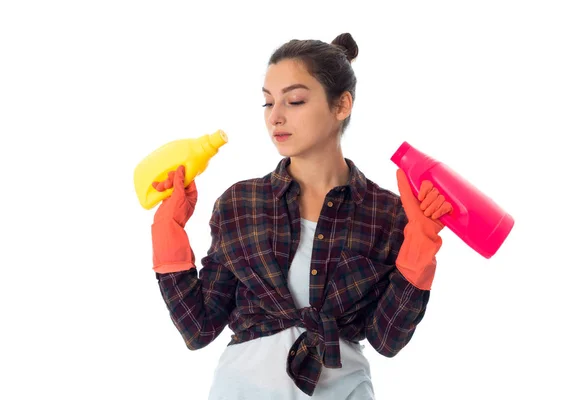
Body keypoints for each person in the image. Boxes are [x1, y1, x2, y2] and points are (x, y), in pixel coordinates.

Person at [150, 33, 453, 399]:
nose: (275, 117)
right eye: (267, 103)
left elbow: (387, 340)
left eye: (294, 100)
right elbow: (198, 328)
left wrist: (420, 246)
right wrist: (169, 228)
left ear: (342, 105)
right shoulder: (240, 203)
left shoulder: (385, 213)